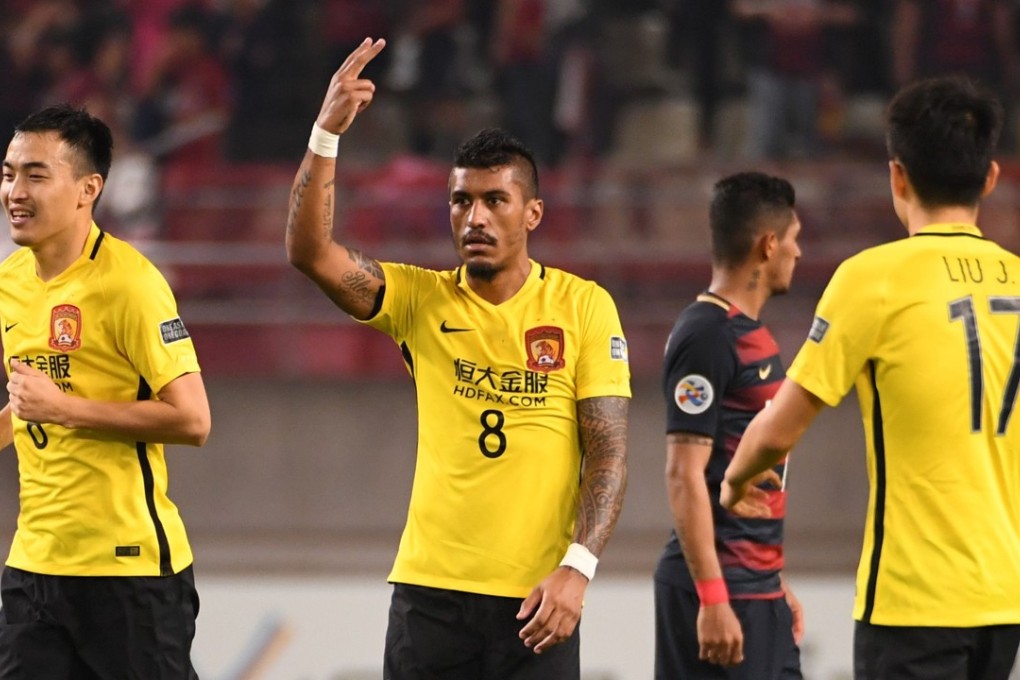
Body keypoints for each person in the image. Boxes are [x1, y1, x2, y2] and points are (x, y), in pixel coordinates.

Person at [285, 38, 631, 680]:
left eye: (495, 200)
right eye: (461, 200)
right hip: (430, 599)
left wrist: (578, 569)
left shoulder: (583, 306)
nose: (475, 217)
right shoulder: (419, 299)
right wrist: (325, 135)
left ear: (532, 213)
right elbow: (310, 253)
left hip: (537, 599)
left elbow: (607, 451)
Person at [721, 76, 1020, 679]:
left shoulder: (874, 279)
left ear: (897, 177)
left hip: (914, 601)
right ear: (990, 177)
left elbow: (780, 429)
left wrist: (732, 482)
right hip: (1006, 601)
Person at [0, 104, 210, 678]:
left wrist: (64, 409)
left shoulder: (131, 284)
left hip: (129, 572)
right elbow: (28, 400)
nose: (16, 192)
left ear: (87, 189)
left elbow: (193, 419)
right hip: (34, 566)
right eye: (9, 174)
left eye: (36, 175)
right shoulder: (9, 282)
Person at [654, 172, 805, 679]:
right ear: (768, 245)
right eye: (793, 238)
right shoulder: (707, 334)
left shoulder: (749, 332)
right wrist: (713, 597)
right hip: (720, 591)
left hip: (756, 586)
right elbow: (683, 473)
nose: (799, 251)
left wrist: (774, 581)